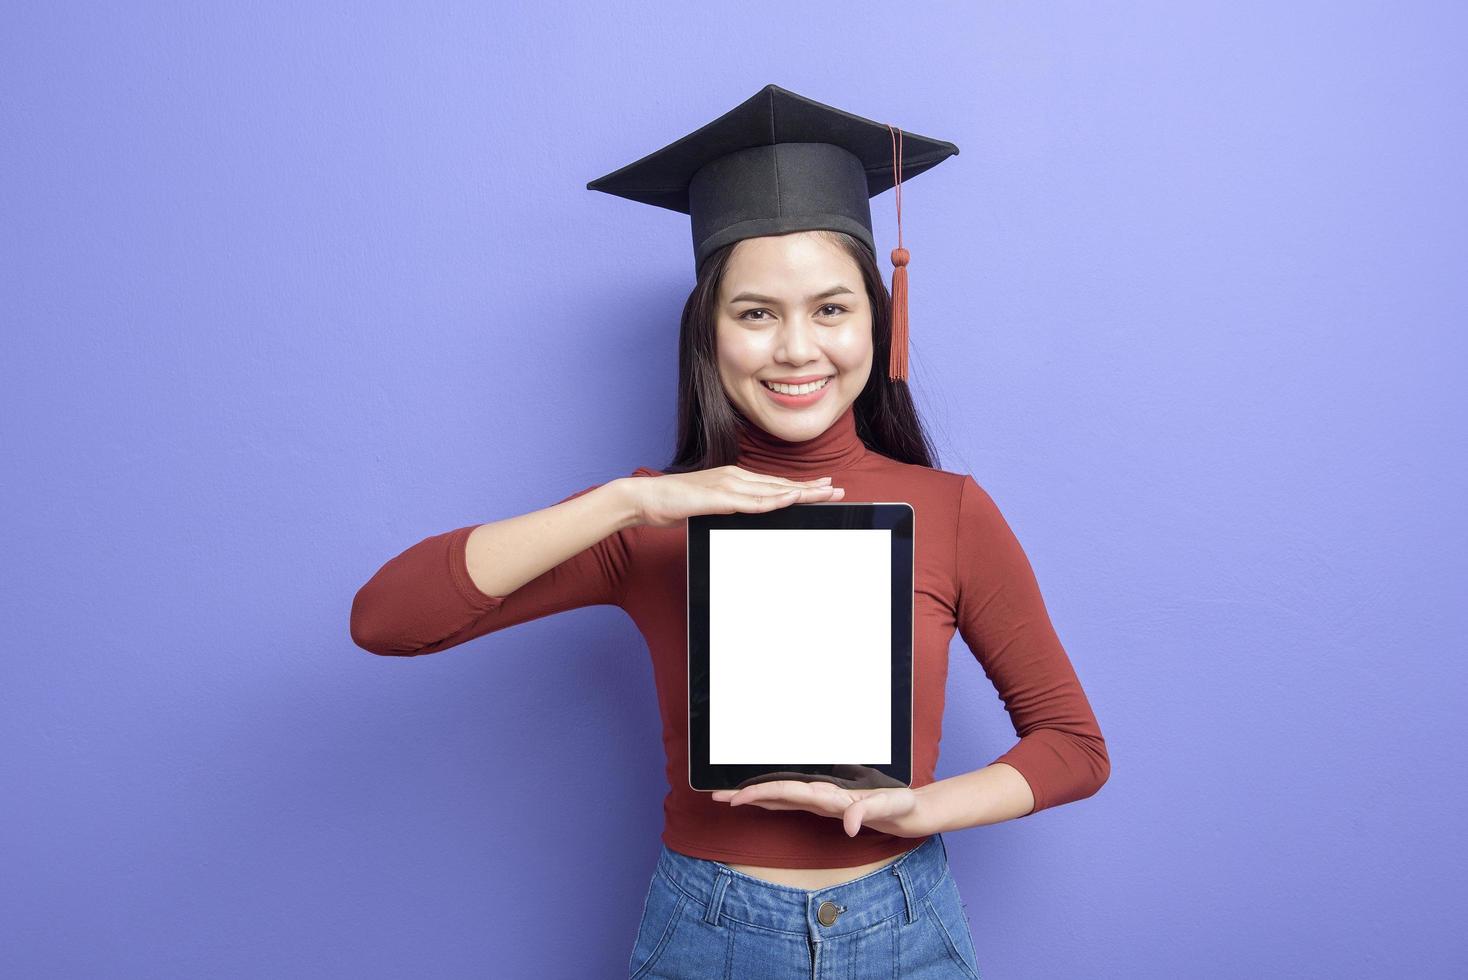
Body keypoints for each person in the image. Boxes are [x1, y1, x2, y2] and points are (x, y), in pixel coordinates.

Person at [350, 84, 1109, 979]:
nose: (796, 349)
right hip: (710, 934)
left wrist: (926, 808)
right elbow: (386, 621)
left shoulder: (949, 509)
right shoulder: (651, 522)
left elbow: (1073, 745)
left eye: (832, 308)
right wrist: (627, 503)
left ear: (877, 319)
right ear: (709, 332)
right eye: (756, 313)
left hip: (905, 925)